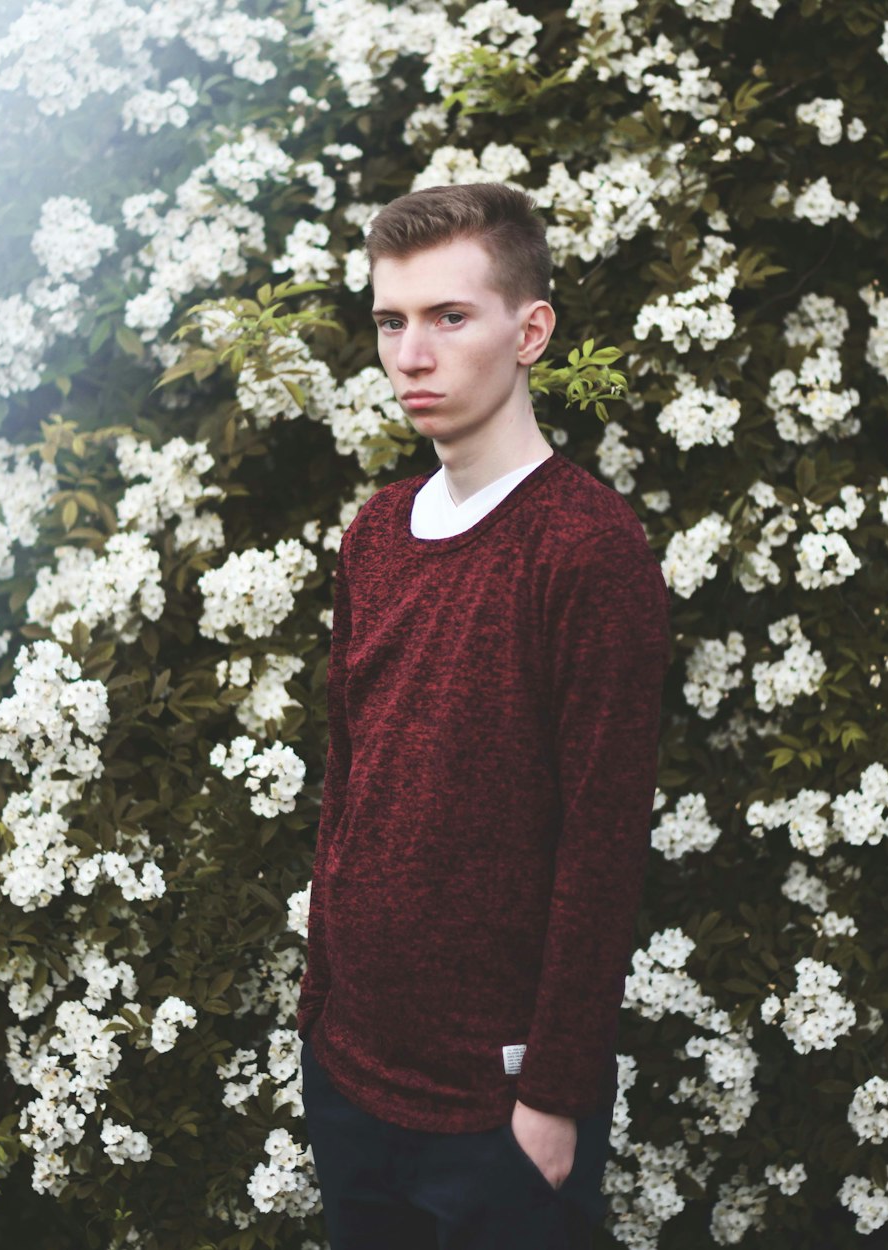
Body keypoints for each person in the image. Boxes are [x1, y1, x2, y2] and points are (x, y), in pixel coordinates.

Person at [296, 182, 671, 1249]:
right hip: (350, 1071)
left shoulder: (586, 551)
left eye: (449, 316)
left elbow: (602, 844)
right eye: (391, 320)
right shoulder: (375, 532)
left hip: (494, 1111)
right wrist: (318, 1014)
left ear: (530, 330)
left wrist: (551, 1096)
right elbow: (348, 777)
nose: (412, 354)